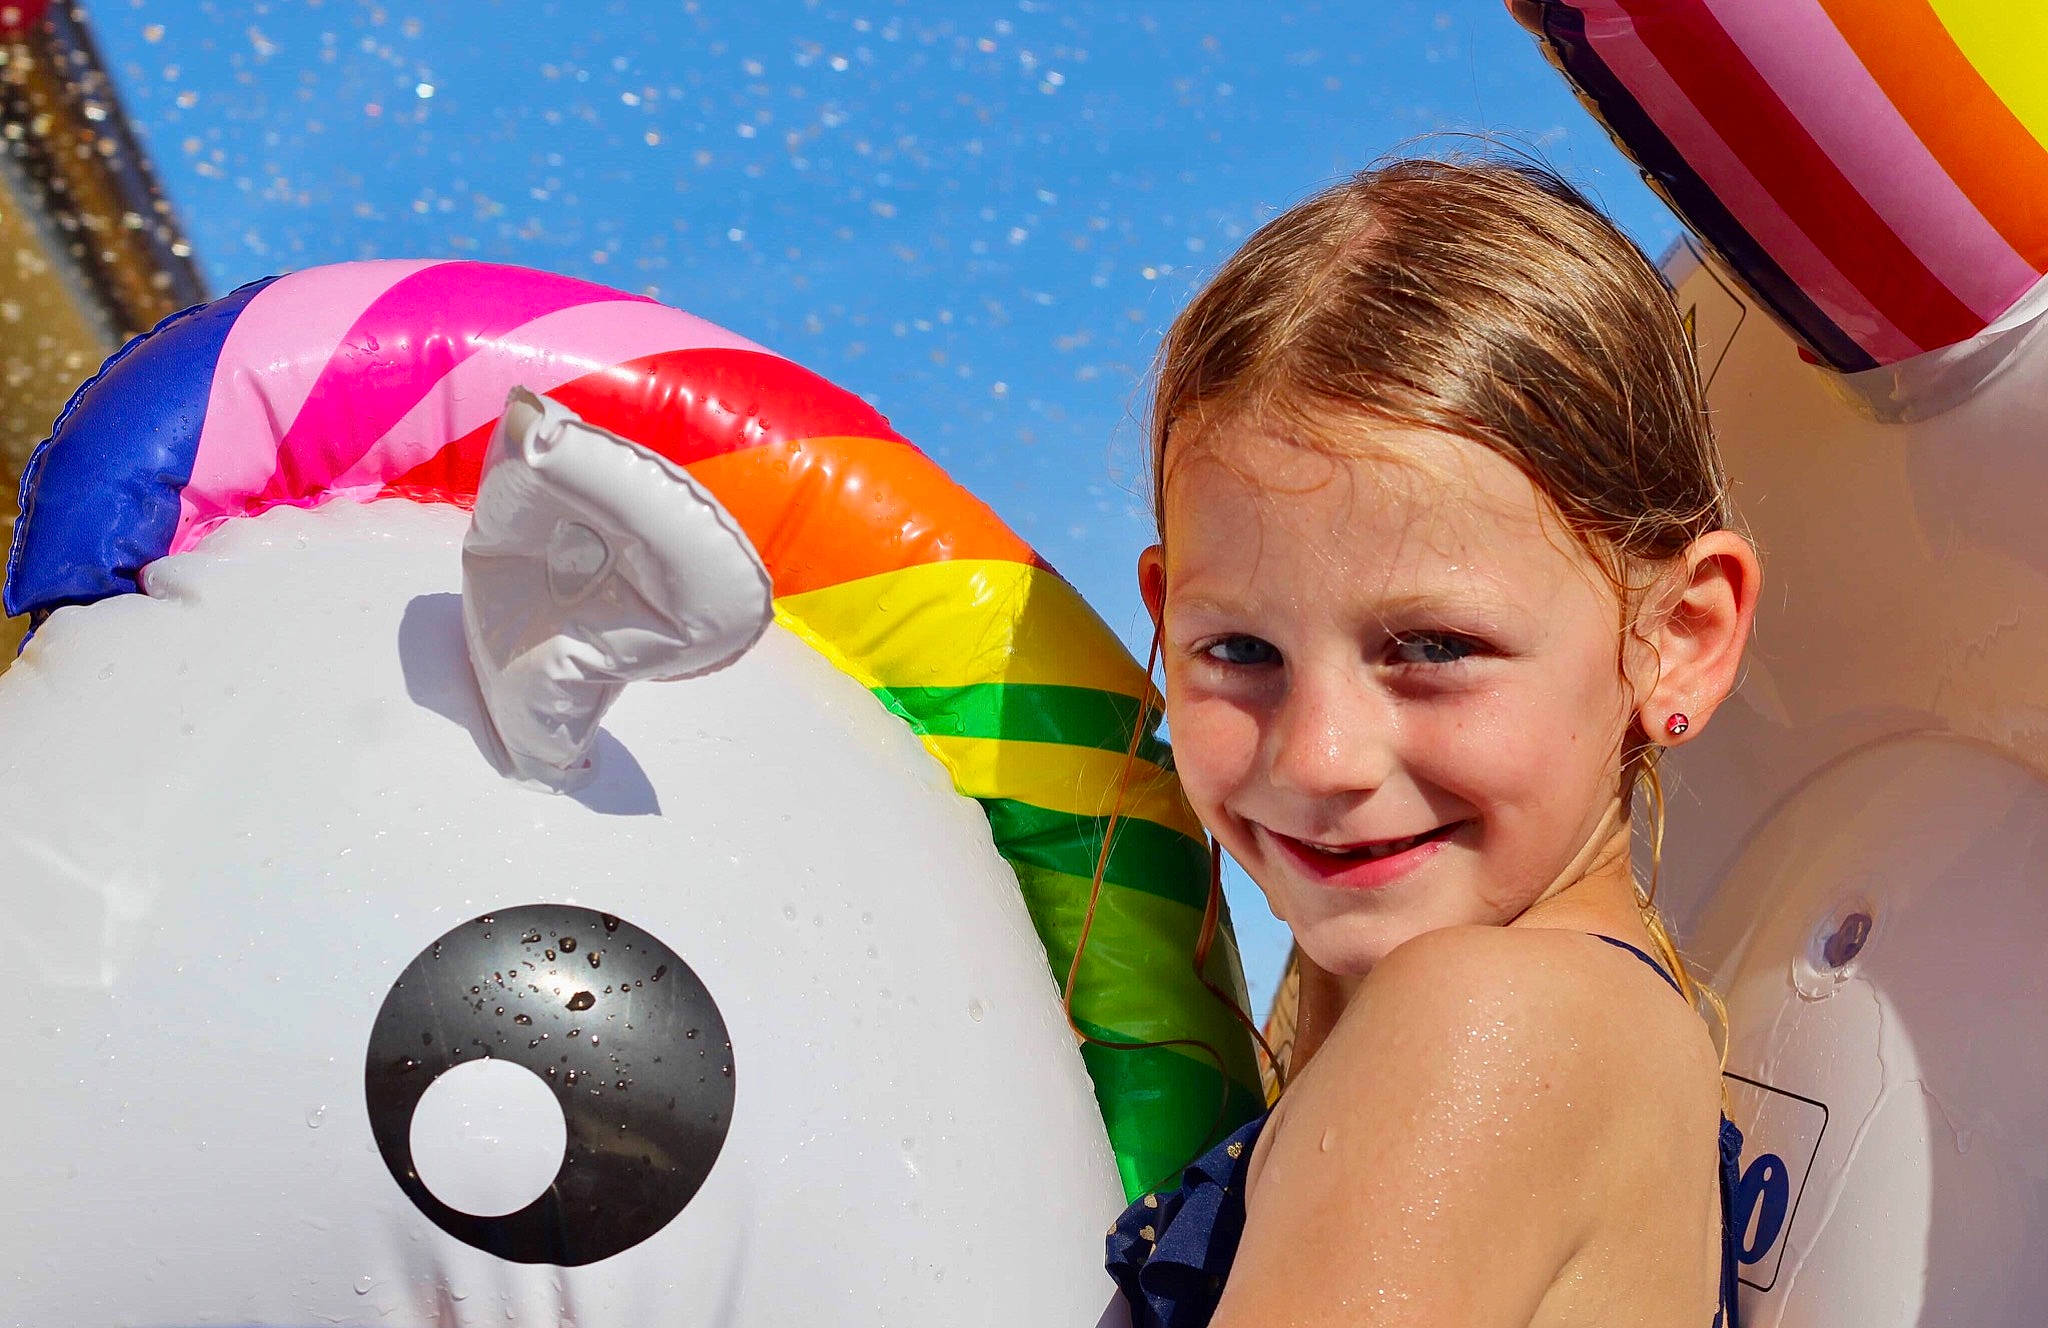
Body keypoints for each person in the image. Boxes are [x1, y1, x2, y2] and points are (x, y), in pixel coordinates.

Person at [1104, 156, 1759, 1327]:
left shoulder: (1486, 1028)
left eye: (1436, 646)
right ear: (1164, 613)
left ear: (1677, 636)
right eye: (1240, 651)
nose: (1317, 756)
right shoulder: (1558, 1026)